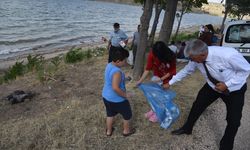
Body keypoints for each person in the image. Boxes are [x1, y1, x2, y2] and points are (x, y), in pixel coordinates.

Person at [164, 39, 250, 150]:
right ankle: (187, 128)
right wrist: (170, 82)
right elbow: (186, 70)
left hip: (234, 89)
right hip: (212, 87)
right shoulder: (196, 58)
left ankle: (226, 146)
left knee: (234, 120)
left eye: (192, 58)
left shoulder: (228, 55)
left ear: (203, 54)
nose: (191, 61)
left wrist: (227, 84)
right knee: (197, 105)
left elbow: (246, 70)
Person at [137, 41, 176, 122]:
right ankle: (154, 110)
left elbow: (172, 71)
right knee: (155, 96)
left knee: (163, 96)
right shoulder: (152, 54)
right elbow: (148, 69)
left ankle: (160, 113)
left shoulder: (171, 56)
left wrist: (162, 79)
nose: (155, 56)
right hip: (157, 77)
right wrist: (140, 81)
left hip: (166, 78)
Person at [102, 46, 135, 137]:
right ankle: (126, 131)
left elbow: (113, 80)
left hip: (106, 97)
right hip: (116, 99)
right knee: (127, 114)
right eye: (124, 60)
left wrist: (126, 79)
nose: (125, 62)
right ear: (118, 61)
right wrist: (125, 95)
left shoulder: (109, 64)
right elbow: (115, 88)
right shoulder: (117, 72)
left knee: (110, 114)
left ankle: (109, 131)